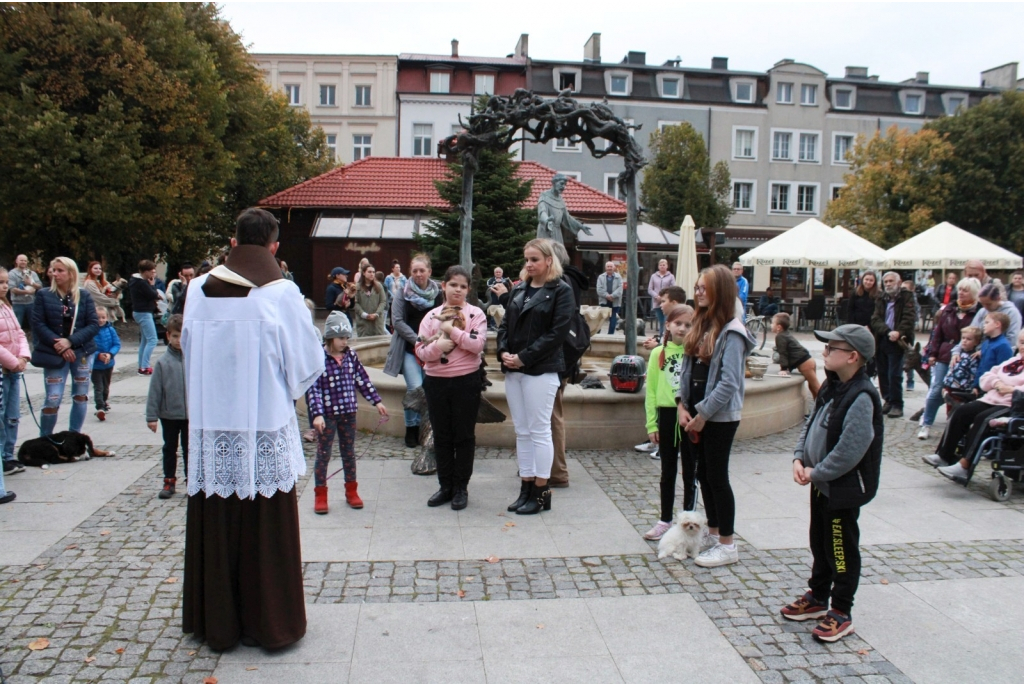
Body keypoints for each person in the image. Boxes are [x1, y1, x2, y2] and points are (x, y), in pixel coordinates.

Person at [181, 207, 325, 651]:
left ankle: (217, 623)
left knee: (218, 523)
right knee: (265, 532)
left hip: (211, 426)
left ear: (233, 242)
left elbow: (188, 349)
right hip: (263, 425)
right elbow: (306, 365)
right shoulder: (282, 295)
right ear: (274, 247)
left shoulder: (196, 290)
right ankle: (270, 623)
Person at [783, 324, 881, 643]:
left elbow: (851, 449)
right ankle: (818, 596)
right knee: (819, 541)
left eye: (831, 349)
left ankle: (841, 610)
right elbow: (811, 423)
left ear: (853, 356)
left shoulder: (862, 395)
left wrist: (816, 472)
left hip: (842, 488)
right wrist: (800, 458)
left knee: (840, 548)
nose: (824, 353)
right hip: (821, 482)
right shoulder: (832, 385)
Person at [676, 264, 756, 567]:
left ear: (719, 291)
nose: (698, 292)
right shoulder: (700, 323)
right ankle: (712, 532)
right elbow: (687, 372)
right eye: (696, 287)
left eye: (703, 287)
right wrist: (683, 405)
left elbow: (729, 381)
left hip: (719, 417)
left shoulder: (732, 332)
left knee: (718, 477)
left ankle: (727, 544)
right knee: (703, 475)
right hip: (696, 412)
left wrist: (703, 414)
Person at [499, 238, 575, 516]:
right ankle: (526, 486)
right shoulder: (520, 289)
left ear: (548, 261)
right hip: (514, 371)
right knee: (522, 431)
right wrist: (503, 351)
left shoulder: (561, 291)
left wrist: (524, 357)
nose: (529, 264)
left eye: (534, 259)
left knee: (540, 430)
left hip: (541, 370)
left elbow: (557, 334)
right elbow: (505, 324)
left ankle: (542, 491)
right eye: (526, 259)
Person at [416, 265, 487, 509]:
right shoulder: (431, 316)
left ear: (468, 290)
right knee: (442, 435)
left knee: (464, 436)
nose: (458, 289)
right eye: (453, 284)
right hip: (436, 382)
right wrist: (438, 348)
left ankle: (461, 488)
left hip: (466, 381)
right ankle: (445, 486)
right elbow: (420, 349)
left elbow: (477, 345)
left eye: (463, 286)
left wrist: (451, 331)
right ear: (444, 286)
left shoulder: (476, 314)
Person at [306, 311, 387, 514]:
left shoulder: (350, 356)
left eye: (346, 338)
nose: (345, 342)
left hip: (348, 413)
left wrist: (376, 401)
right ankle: (320, 494)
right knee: (323, 454)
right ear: (330, 337)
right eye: (341, 338)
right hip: (327, 415)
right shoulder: (319, 358)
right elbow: (313, 389)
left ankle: (351, 491)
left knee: (348, 452)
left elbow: (362, 379)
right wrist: (317, 414)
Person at [924, 329, 1024, 478]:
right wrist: (997, 383)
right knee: (961, 412)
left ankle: (965, 465)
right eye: (1021, 342)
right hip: (991, 398)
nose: (1023, 346)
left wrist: (1011, 389)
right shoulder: (1013, 361)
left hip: (1012, 405)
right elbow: (987, 376)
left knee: (983, 419)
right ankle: (944, 456)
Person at [642, 303, 696, 540]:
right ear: (668, 325)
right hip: (666, 415)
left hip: (690, 418)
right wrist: (651, 424)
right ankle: (665, 519)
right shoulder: (657, 353)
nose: (682, 329)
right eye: (678, 324)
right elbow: (651, 390)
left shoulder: (694, 352)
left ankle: (690, 519)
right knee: (668, 471)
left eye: (687, 325)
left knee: (690, 471)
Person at [31, 257, 101, 436]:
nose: (55, 274)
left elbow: (93, 324)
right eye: (53, 270)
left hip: (82, 351)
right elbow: (38, 324)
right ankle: (46, 439)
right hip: (54, 353)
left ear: (71, 273)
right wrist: (60, 345)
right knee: (53, 398)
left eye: (60, 270)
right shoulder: (44, 295)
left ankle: (74, 437)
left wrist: (71, 341)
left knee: (80, 395)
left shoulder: (83, 295)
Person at [383, 255, 442, 448]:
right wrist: (417, 340)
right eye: (414, 271)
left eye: (421, 270)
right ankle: (411, 428)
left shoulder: (438, 292)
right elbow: (397, 321)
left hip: (433, 350)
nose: (418, 274)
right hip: (410, 348)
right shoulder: (403, 292)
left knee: (430, 390)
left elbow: (444, 317)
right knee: (415, 388)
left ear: (429, 272)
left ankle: (427, 429)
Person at [917, 278, 982, 440]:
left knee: (960, 392)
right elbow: (937, 333)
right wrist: (932, 353)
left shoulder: (978, 312)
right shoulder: (950, 308)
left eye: (965, 290)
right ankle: (926, 422)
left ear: (973, 293)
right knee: (937, 388)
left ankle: (956, 425)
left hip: (967, 357)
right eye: (960, 289)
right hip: (945, 354)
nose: (960, 293)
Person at [548, 241, 589, 488]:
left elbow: (558, 326)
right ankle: (550, 467)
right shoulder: (570, 280)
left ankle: (557, 472)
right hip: (564, 359)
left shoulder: (562, 283)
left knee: (553, 415)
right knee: (553, 414)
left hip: (557, 360)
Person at [146, 314, 188, 499]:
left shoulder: (194, 360)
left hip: (190, 416)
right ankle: (169, 480)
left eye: (182, 336)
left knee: (190, 450)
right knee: (170, 448)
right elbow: (155, 391)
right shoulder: (163, 362)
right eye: (175, 336)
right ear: (168, 336)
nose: (178, 341)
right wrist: (151, 416)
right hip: (169, 414)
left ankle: (192, 481)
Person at [869, 272, 916, 419]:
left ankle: (897, 403)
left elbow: (909, 317)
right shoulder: (881, 298)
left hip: (899, 340)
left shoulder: (906, 296)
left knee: (894, 374)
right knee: (882, 372)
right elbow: (875, 319)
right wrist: (887, 331)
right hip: (883, 338)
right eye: (886, 281)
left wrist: (899, 332)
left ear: (899, 282)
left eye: (891, 281)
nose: (888, 284)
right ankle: (888, 400)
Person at [0, 267, 30, 477]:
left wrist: (23, 356)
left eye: (5, 282)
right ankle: (2, 456)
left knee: (12, 415)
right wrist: (12, 362)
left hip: (13, 368)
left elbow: (20, 333)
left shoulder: (6, 305)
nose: (4, 286)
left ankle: (9, 454)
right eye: (0, 282)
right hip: (4, 368)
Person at [773, 313, 821, 399]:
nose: (771, 325)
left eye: (772, 323)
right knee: (813, 387)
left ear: (778, 327)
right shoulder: (786, 333)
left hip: (804, 363)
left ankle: (829, 408)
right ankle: (818, 408)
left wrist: (784, 369)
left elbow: (783, 352)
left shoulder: (780, 336)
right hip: (809, 360)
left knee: (816, 387)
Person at [536, 173, 593, 245]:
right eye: (561, 184)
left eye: (565, 185)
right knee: (546, 252)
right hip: (546, 230)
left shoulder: (560, 199)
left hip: (557, 231)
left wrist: (580, 226)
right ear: (554, 183)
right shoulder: (544, 195)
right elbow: (542, 211)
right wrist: (547, 220)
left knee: (558, 253)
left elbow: (567, 217)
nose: (563, 187)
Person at [129, 260, 161, 375]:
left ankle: (141, 365)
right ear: (146, 272)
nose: (153, 274)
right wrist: (152, 286)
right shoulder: (141, 283)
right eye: (152, 272)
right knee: (153, 339)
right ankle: (145, 366)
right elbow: (153, 294)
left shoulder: (135, 281)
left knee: (145, 340)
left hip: (140, 312)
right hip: (144, 312)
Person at [91, 308, 120, 421]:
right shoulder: (91, 331)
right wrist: (98, 355)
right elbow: (89, 347)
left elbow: (116, 344)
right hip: (96, 365)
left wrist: (110, 354)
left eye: (103, 317)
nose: (101, 320)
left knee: (106, 385)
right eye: (98, 318)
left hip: (108, 364)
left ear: (107, 318)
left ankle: (104, 401)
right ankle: (100, 407)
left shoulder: (110, 329)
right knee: (99, 386)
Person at [942, 327, 982, 396]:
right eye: (963, 338)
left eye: (968, 339)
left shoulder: (974, 357)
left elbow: (973, 374)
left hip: (963, 389)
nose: (964, 341)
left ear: (976, 342)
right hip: (949, 385)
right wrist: (944, 385)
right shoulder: (957, 354)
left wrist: (974, 387)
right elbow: (951, 370)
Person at [8, 255, 42, 332]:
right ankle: (15, 342)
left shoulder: (32, 273)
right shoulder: (12, 274)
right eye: (21, 260)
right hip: (18, 304)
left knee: (34, 325)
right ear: (16, 261)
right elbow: (12, 289)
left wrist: (31, 283)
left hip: (31, 303)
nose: (23, 262)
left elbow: (40, 286)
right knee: (16, 325)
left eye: (25, 260)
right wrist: (27, 292)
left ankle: (35, 342)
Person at [353, 263, 387, 337]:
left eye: (373, 272)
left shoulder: (378, 286)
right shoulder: (357, 287)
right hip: (364, 323)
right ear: (364, 273)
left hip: (377, 322)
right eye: (369, 272)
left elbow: (383, 301)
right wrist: (364, 314)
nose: (372, 274)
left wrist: (377, 313)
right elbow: (355, 303)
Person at [647, 259, 676, 335]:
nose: (662, 266)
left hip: (667, 302)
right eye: (660, 265)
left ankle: (666, 337)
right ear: (658, 266)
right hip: (657, 302)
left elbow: (673, 288)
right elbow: (650, 289)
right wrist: (656, 296)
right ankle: (661, 337)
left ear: (667, 266)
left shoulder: (671, 276)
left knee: (666, 320)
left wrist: (665, 297)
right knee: (661, 321)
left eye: (664, 265)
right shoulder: (653, 276)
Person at [596, 261, 623, 335]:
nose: (609, 268)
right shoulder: (601, 277)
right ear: (605, 268)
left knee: (613, 317)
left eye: (611, 266)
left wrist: (612, 296)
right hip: (604, 301)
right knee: (601, 317)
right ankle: (597, 331)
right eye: (608, 266)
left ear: (614, 268)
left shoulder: (618, 277)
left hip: (615, 301)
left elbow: (620, 289)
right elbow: (599, 289)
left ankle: (611, 333)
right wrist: (607, 296)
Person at [383, 260, 407, 330]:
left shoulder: (403, 278)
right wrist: (392, 296)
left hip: (400, 300)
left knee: (400, 315)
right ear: (393, 269)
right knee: (392, 316)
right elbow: (386, 288)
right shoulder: (388, 278)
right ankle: (392, 329)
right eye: (396, 267)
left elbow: (406, 288)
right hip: (391, 300)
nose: (398, 269)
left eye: (399, 267)